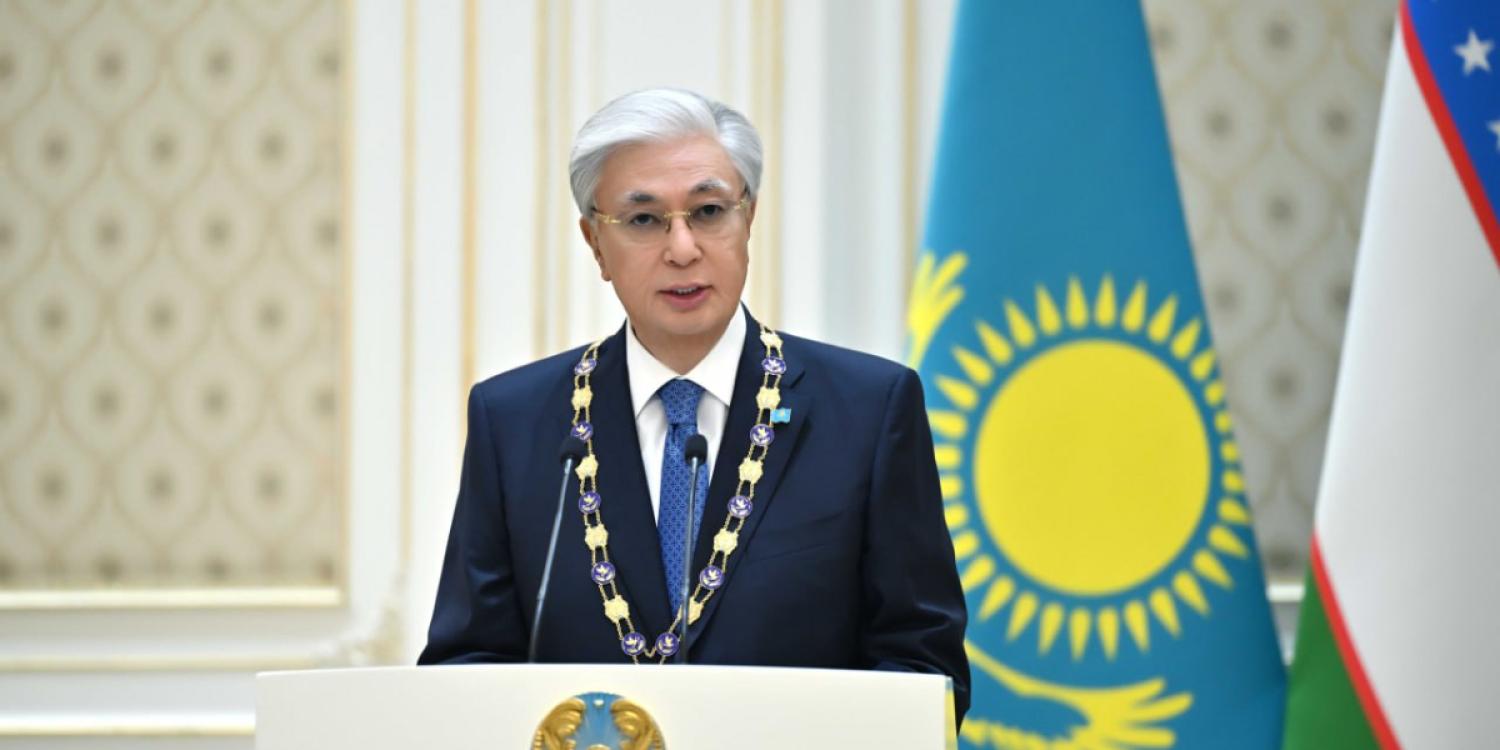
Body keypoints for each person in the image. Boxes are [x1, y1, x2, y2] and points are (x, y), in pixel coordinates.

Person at [419, 88, 970, 722]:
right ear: (595, 243)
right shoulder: (515, 423)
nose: (682, 248)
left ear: (748, 220)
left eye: (708, 212)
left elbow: (923, 669)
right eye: (644, 220)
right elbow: (466, 669)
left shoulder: (868, 412)